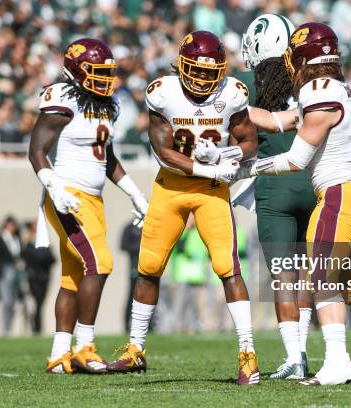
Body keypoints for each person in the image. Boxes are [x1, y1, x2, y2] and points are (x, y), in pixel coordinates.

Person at [241, 22, 351, 385]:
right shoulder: (333, 87)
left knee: (321, 279)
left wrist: (245, 167)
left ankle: (338, 362)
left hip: (338, 197)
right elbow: (282, 120)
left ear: (304, 57)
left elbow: (295, 160)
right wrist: (232, 110)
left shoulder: (317, 88)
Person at [106, 31, 260, 386]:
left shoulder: (232, 93)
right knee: (149, 266)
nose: (205, 79)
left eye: (211, 72)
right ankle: (135, 349)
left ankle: (248, 354)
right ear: (182, 64)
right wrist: (210, 166)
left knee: (228, 267)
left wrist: (227, 154)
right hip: (172, 186)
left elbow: (249, 141)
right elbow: (163, 152)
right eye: (198, 70)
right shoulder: (163, 92)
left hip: (210, 189)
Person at [28, 38, 149, 374]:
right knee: (101, 264)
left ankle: (58, 356)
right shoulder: (61, 97)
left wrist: (134, 193)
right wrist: (53, 186)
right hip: (67, 196)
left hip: (93, 199)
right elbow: (36, 150)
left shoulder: (107, 104)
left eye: (106, 73)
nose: (103, 79)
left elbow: (106, 157)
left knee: (73, 278)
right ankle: (84, 347)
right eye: (95, 72)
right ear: (76, 70)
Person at [240, 14, 315, 380]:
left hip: (275, 186)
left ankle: (294, 358)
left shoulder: (246, 85)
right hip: (314, 182)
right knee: (307, 277)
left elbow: (223, 108)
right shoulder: (308, 83)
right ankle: (312, 352)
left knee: (284, 278)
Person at [0, 216, 23, 336]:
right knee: (6, 301)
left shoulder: (16, 239)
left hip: (16, 272)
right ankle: (5, 329)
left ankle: (10, 328)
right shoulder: (1, 239)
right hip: (6, 272)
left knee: (14, 301)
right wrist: (2, 267)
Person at [22, 221, 55, 334]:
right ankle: (37, 327)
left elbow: (51, 258)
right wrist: (41, 257)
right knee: (36, 303)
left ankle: (37, 327)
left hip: (44, 277)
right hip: (34, 278)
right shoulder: (29, 242)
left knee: (40, 303)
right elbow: (30, 256)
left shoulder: (45, 242)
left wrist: (41, 257)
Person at [120, 221, 142, 332]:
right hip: (134, 268)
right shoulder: (130, 227)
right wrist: (140, 247)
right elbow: (123, 245)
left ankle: (149, 326)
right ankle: (127, 326)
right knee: (131, 297)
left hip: (149, 269)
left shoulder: (150, 225)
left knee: (148, 296)